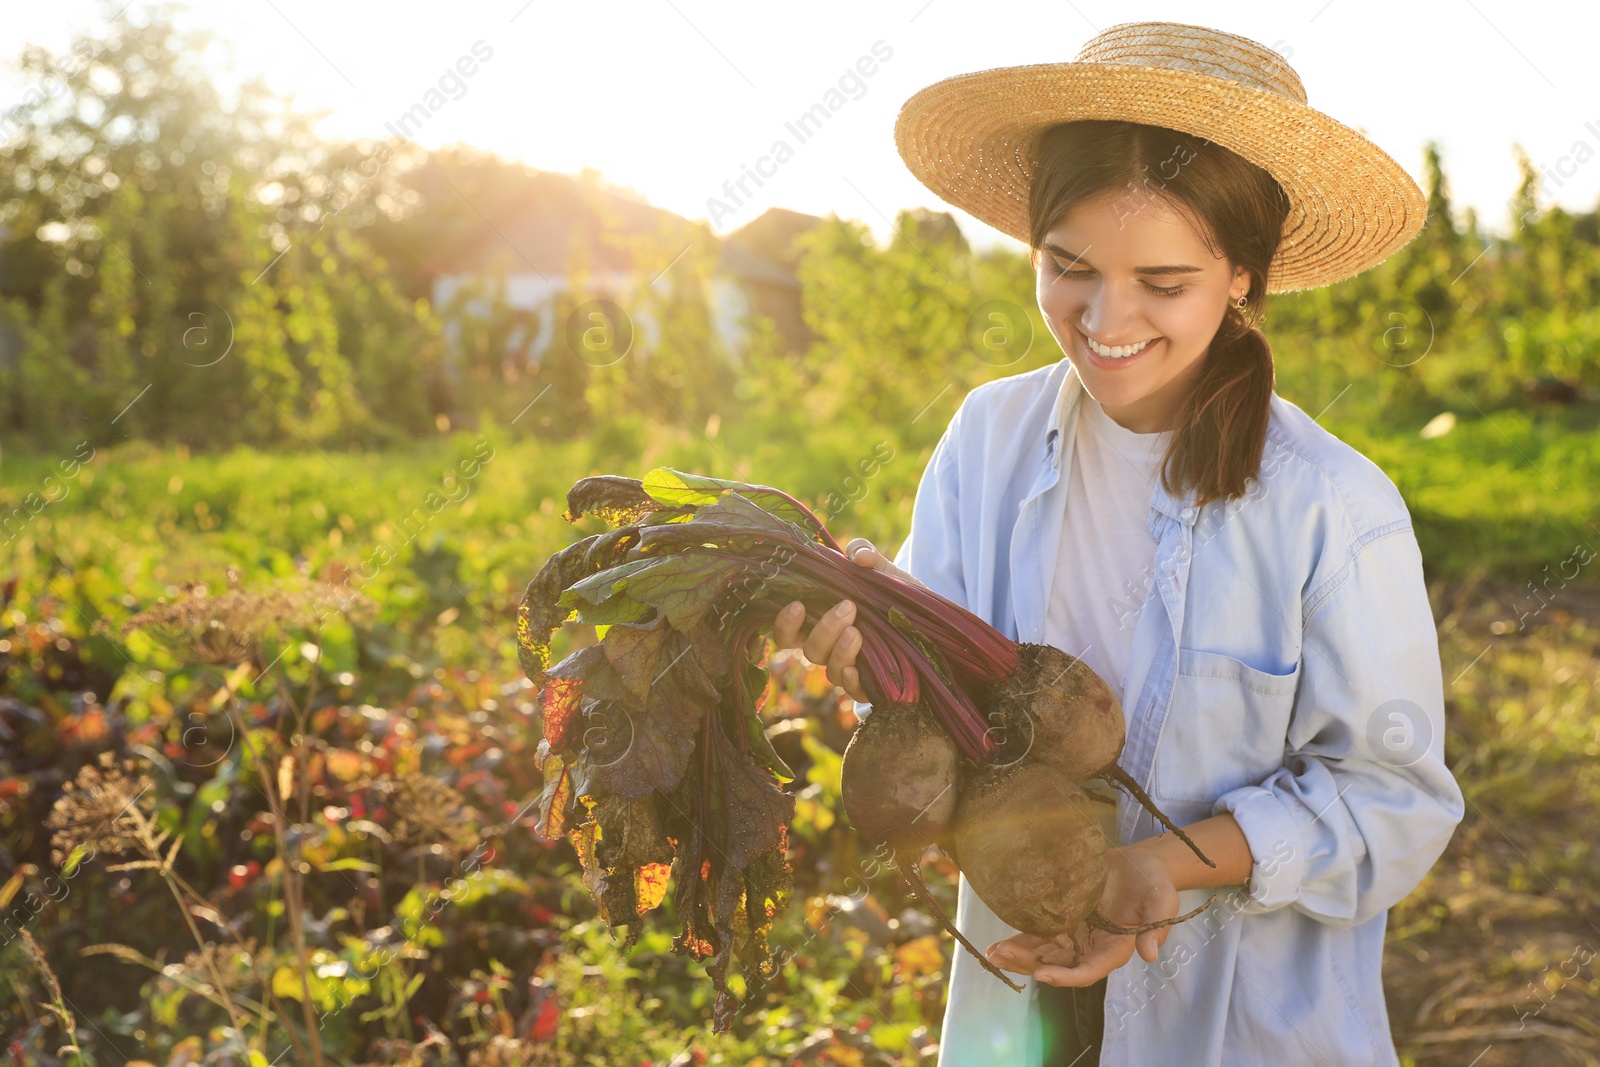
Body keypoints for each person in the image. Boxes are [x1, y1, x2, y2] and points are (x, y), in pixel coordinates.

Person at [770, 21, 1465, 1067]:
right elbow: (943, 712)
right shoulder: (989, 441)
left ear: (1242, 274)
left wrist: (1169, 867)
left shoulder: (1329, 505)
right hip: (1026, 1017)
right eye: (1068, 267)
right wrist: (873, 643)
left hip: (1238, 1023)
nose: (1106, 318)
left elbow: (1392, 795)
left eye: (1163, 282)